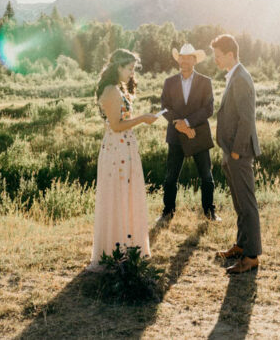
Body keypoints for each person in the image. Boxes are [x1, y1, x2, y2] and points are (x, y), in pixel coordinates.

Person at [87, 48, 157, 271]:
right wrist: (142, 119)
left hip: (124, 149)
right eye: (128, 68)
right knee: (117, 195)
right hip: (117, 150)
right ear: (117, 67)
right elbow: (116, 126)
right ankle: (114, 250)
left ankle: (126, 247)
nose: (131, 73)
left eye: (133, 69)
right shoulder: (110, 91)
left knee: (125, 195)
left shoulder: (118, 89)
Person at [211, 33, 262, 274]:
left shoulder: (241, 78)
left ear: (231, 54)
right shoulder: (234, 75)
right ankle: (242, 246)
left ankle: (251, 257)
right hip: (230, 150)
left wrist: (236, 153)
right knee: (239, 202)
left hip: (238, 152)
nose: (215, 60)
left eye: (218, 56)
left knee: (247, 204)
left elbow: (246, 118)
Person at [158, 43, 219, 224]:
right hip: (176, 135)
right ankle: (167, 212)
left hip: (198, 133)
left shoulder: (205, 81)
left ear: (194, 60)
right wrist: (180, 125)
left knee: (206, 176)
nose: (184, 61)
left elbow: (208, 108)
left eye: (188, 58)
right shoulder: (169, 82)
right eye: (182, 58)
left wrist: (188, 123)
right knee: (171, 177)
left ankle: (209, 212)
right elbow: (164, 107)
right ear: (179, 60)